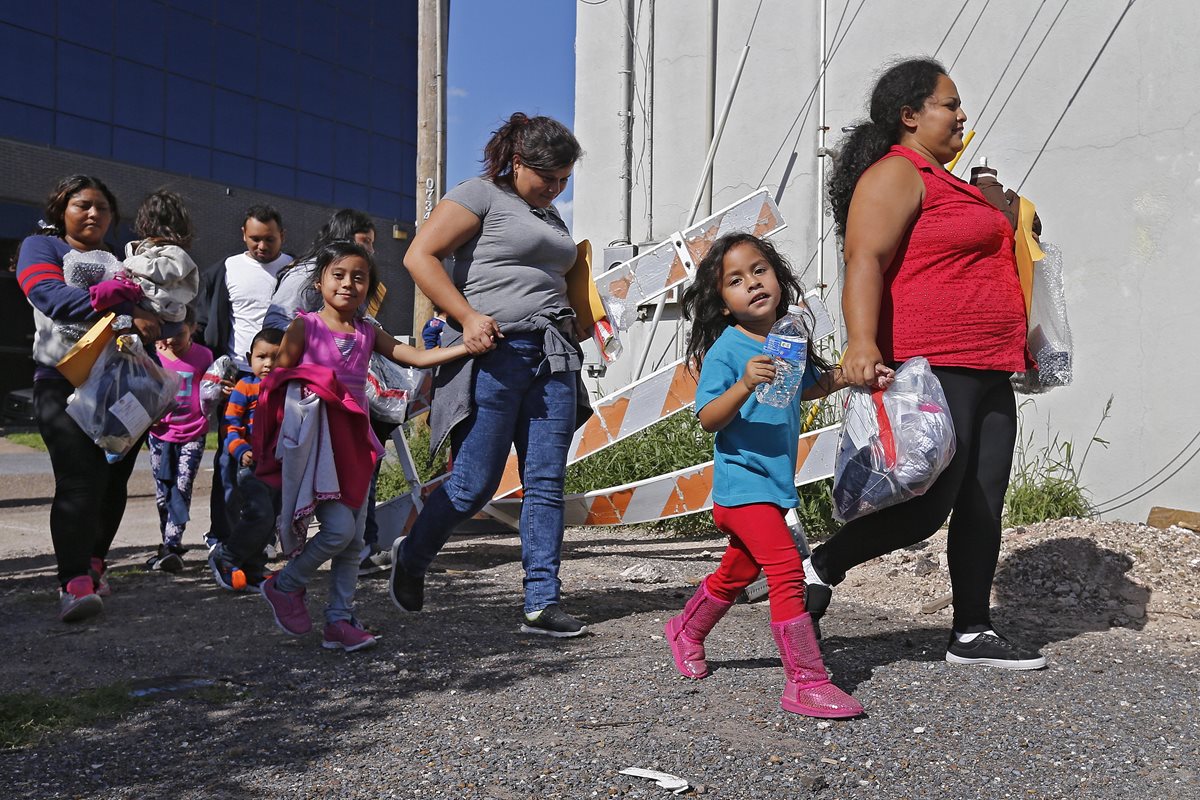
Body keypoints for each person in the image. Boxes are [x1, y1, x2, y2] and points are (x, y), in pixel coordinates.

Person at [809, 58, 1046, 669]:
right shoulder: (897, 173)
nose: (962, 114)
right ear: (909, 116)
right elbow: (864, 258)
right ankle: (821, 565)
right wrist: (861, 343)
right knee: (927, 502)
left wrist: (1006, 211)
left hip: (990, 362)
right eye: (950, 103)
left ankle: (971, 629)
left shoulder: (953, 182)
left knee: (984, 498)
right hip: (933, 360)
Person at [665, 233, 889, 718]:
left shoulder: (787, 339)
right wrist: (745, 383)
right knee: (787, 571)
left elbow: (805, 389)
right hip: (742, 486)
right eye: (736, 280)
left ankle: (687, 629)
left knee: (736, 573)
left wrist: (852, 376)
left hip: (774, 486)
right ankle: (805, 681)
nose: (753, 283)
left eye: (760, 270)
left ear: (778, 279)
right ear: (723, 304)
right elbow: (708, 417)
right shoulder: (727, 351)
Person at [388, 112, 591, 637]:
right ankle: (412, 557)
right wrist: (467, 317)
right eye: (548, 177)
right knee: (474, 484)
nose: (556, 188)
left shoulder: (551, 218)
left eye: (565, 180)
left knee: (545, 482)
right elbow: (420, 256)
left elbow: (560, 278)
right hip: (495, 354)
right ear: (518, 162)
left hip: (553, 354)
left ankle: (541, 601)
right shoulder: (478, 194)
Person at [258, 241, 470, 651]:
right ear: (319, 282)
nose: (348, 284)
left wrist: (463, 347)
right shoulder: (304, 327)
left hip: (357, 445)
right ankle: (285, 584)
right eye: (338, 275)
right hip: (320, 447)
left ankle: (339, 619)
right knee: (338, 532)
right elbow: (277, 383)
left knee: (354, 541)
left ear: (370, 286)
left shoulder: (368, 331)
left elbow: (411, 356)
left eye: (359, 277)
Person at [16, 175, 162, 621]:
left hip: (123, 383)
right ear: (62, 210)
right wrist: (118, 302)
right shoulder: (41, 249)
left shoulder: (124, 261)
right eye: (83, 205)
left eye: (102, 207)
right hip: (62, 382)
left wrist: (153, 318)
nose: (94, 213)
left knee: (112, 480)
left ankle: (96, 563)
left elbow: (160, 317)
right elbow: (49, 296)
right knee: (78, 479)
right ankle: (74, 582)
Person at [262, 208, 393, 575]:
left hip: (353, 422)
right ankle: (283, 575)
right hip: (315, 425)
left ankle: (344, 606)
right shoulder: (306, 306)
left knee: (352, 530)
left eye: (361, 273)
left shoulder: (363, 316)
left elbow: (399, 350)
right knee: (335, 525)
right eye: (364, 244)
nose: (350, 281)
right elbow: (277, 350)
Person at [196, 205, 292, 551]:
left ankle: (264, 537)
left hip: (282, 380)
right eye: (255, 239)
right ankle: (221, 534)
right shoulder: (227, 269)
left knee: (277, 460)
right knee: (229, 457)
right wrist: (217, 371)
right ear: (243, 235)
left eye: (269, 239)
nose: (262, 246)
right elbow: (205, 324)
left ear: (283, 236)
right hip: (238, 377)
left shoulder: (294, 271)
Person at [208, 326, 284, 592]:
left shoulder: (286, 388)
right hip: (251, 466)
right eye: (262, 357)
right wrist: (241, 450)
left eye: (276, 357)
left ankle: (253, 568)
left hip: (278, 467)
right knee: (259, 514)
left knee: (270, 519)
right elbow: (230, 425)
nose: (268, 364)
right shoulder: (245, 386)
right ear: (250, 357)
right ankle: (226, 556)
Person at [146, 305, 213, 572]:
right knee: (163, 492)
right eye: (166, 334)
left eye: (180, 334)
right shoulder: (153, 356)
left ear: (193, 329)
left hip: (193, 433)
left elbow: (212, 389)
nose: (172, 340)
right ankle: (166, 543)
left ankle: (174, 544)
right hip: (160, 434)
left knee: (182, 487)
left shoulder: (204, 356)